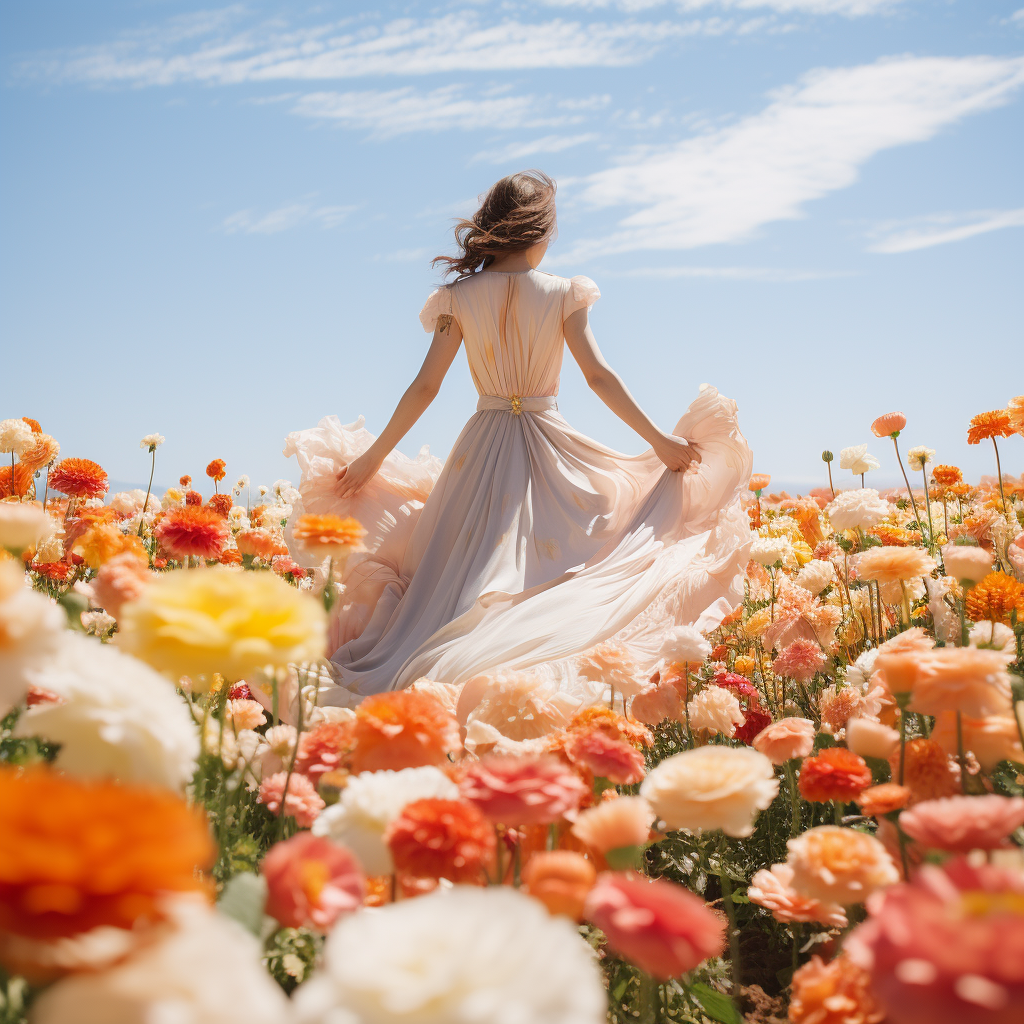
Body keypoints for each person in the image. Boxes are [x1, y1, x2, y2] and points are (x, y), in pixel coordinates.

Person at [284, 170, 752, 707]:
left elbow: (424, 387)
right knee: (569, 545)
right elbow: (599, 376)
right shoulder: (561, 293)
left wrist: (373, 457)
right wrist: (659, 442)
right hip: (544, 437)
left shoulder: (456, 299)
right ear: (542, 232)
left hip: (480, 445)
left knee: (473, 563)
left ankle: (461, 646)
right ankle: (507, 651)